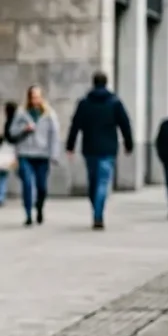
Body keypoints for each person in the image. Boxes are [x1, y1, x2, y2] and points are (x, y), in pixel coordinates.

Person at [65, 71, 134, 230]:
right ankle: (98, 214)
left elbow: (75, 125)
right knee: (103, 182)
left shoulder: (84, 103)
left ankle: (96, 211)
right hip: (108, 148)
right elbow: (125, 124)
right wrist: (128, 144)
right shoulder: (115, 102)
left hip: (89, 148)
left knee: (93, 182)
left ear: (93, 83)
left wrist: (70, 145)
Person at [6, 85, 59, 226]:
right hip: (25, 154)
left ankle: (39, 208)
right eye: (32, 97)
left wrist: (54, 154)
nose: (35, 100)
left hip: (42, 155)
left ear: (42, 97)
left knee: (41, 187)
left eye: (37, 97)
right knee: (28, 184)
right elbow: (11, 132)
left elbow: (54, 135)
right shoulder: (21, 113)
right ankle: (28, 214)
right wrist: (25, 129)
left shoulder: (49, 114)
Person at [0, 101, 23, 206]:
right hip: (13, 151)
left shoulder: (12, 122)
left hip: (11, 152)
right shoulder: (14, 121)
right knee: (16, 174)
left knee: (6, 174)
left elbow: (13, 137)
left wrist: (4, 139)